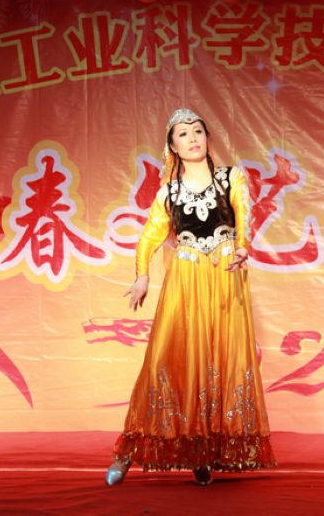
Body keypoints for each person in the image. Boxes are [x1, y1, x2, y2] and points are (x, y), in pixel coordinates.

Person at [105, 108, 275, 486]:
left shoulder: (231, 177)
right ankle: (127, 453)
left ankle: (203, 454)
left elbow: (243, 214)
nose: (192, 138)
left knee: (220, 358)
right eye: (183, 134)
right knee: (166, 359)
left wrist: (243, 247)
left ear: (208, 138)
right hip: (186, 277)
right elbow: (150, 236)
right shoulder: (169, 192)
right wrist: (142, 276)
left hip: (225, 275)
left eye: (198, 131)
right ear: (173, 147)